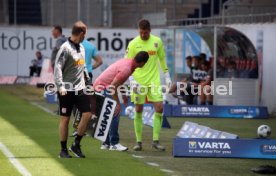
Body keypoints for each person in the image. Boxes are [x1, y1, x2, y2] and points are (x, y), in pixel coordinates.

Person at [125, 19, 171, 151]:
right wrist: (132, 79)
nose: (143, 35)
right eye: (141, 32)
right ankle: (138, 142)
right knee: (138, 110)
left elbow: (162, 59)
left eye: (145, 32)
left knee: (160, 108)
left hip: (154, 81)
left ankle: (155, 141)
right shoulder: (133, 44)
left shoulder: (157, 42)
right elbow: (127, 62)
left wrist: (167, 76)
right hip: (138, 82)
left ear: (149, 31)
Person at [93, 51, 149, 151]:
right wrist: (117, 103)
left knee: (108, 114)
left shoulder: (129, 63)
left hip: (100, 86)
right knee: (115, 112)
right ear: (143, 63)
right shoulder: (127, 69)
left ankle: (106, 143)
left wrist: (123, 94)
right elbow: (112, 87)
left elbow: (118, 81)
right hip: (103, 87)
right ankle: (114, 143)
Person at [54, 21, 91, 158]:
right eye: (85, 34)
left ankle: (76, 144)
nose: (85, 37)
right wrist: (60, 86)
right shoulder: (65, 48)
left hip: (80, 88)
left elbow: (83, 65)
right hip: (66, 89)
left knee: (87, 114)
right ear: (81, 33)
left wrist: (87, 79)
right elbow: (57, 68)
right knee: (65, 119)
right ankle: (63, 150)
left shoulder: (81, 47)